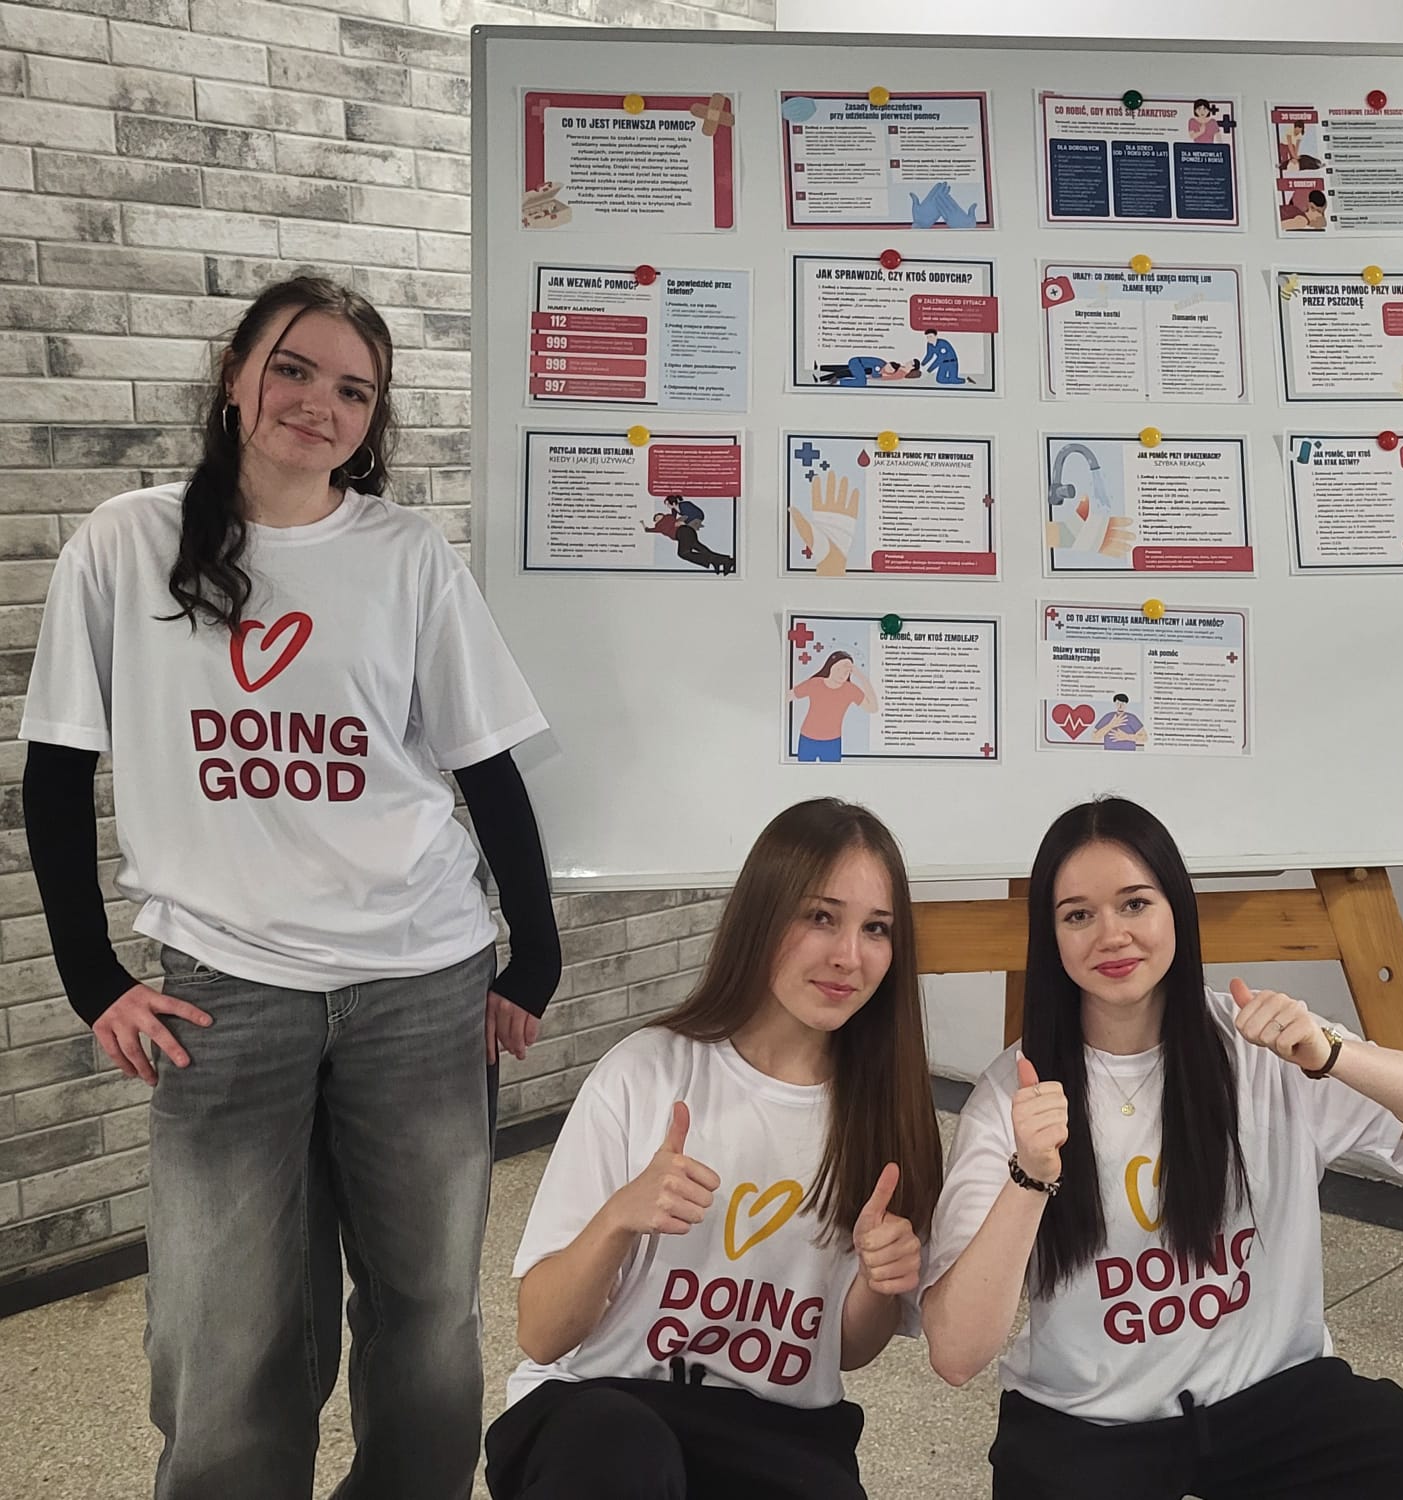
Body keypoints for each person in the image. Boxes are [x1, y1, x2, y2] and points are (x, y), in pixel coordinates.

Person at [20, 276, 561, 1499]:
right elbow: (55, 771)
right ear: (235, 375)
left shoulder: (405, 556)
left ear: (373, 421)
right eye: (294, 368)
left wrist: (533, 953)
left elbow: (483, 765)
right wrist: (92, 978)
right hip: (224, 991)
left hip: (424, 981)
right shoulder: (125, 543)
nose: (321, 403)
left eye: (354, 390)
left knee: (425, 1313)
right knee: (221, 1332)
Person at [920, 796, 1403, 1499]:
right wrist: (1030, 1177)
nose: (1112, 935)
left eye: (1135, 904)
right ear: (1050, 936)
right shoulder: (1014, 1093)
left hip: (1275, 1400)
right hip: (1090, 1424)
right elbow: (956, 1354)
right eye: (1078, 915)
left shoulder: (1259, 1045)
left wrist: (1334, 1054)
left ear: (1177, 908)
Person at [484, 798, 944, 1500]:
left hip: (777, 1430)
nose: (849, 956)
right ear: (763, 916)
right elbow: (541, 1334)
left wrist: (881, 1285)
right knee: (621, 1448)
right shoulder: (646, 1071)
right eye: (821, 917)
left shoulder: (890, 1111)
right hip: (604, 1402)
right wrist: (619, 1217)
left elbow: (847, 1351)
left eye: (876, 928)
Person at [789, 652, 878, 763]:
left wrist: (861, 677)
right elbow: (787, 697)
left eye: (846, 671)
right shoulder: (815, 683)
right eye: (839, 669)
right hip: (807, 738)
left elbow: (873, 708)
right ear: (830, 666)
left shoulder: (850, 690)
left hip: (832, 742)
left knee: (833, 772)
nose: (842, 674)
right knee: (802, 771)